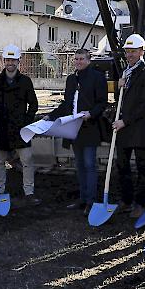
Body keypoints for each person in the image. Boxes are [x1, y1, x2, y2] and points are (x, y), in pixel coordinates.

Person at [46, 49, 108, 214]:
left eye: (81, 59)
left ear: (88, 60)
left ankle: (91, 201)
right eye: (76, 59)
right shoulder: (71, 79)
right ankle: (82, 199)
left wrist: (91, 114)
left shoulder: (97, 77)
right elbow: (67, 104)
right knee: (79, 166)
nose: (78, 62)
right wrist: (51, 116)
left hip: (90, 128)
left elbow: (102, 103)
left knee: (89, 165)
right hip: (74, 129)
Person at [0, 44, 40, 205]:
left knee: (27, 161)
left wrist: (27, 122)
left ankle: (29, 192)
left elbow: (34, 105)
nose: (10, 62)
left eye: (13, 60)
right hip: (1, 128)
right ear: (4, 60)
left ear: (18, 61)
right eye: (8, 59)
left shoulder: (25, 82)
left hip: (20, 129)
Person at [113, 34, 145, 219]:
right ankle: (126, 200)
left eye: (133, 51)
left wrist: (125, 121)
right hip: (124, 129)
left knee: (141, 167)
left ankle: (141, 203)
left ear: (142, 51)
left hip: (139, 128)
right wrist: (119, 88)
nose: (130, 55)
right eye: (128, 51)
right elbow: (121, 103)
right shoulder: (125, 73)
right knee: (122, 166)